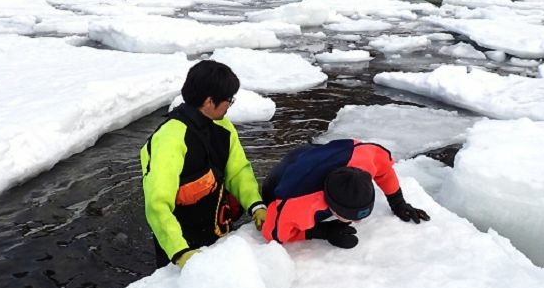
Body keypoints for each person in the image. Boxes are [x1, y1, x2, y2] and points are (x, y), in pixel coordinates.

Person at [140, 60, 267, 269]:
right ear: (209, 101)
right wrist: (180, 252)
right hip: (178, 243)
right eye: (229, 100)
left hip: (217, 231)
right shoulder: (170, 138)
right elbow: (157, 204)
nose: (230, 104)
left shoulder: (223, 127)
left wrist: (256, 205)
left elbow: (238, 170)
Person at [257, 138, 430, 248]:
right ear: (330, 205)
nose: (357, 222)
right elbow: (273, 234)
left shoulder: (366, 157)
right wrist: (321, 232)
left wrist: (398, 202)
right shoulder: (298, 200)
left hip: (316, 153)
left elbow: (384, 170)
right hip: (280, 181)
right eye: (351, 217)